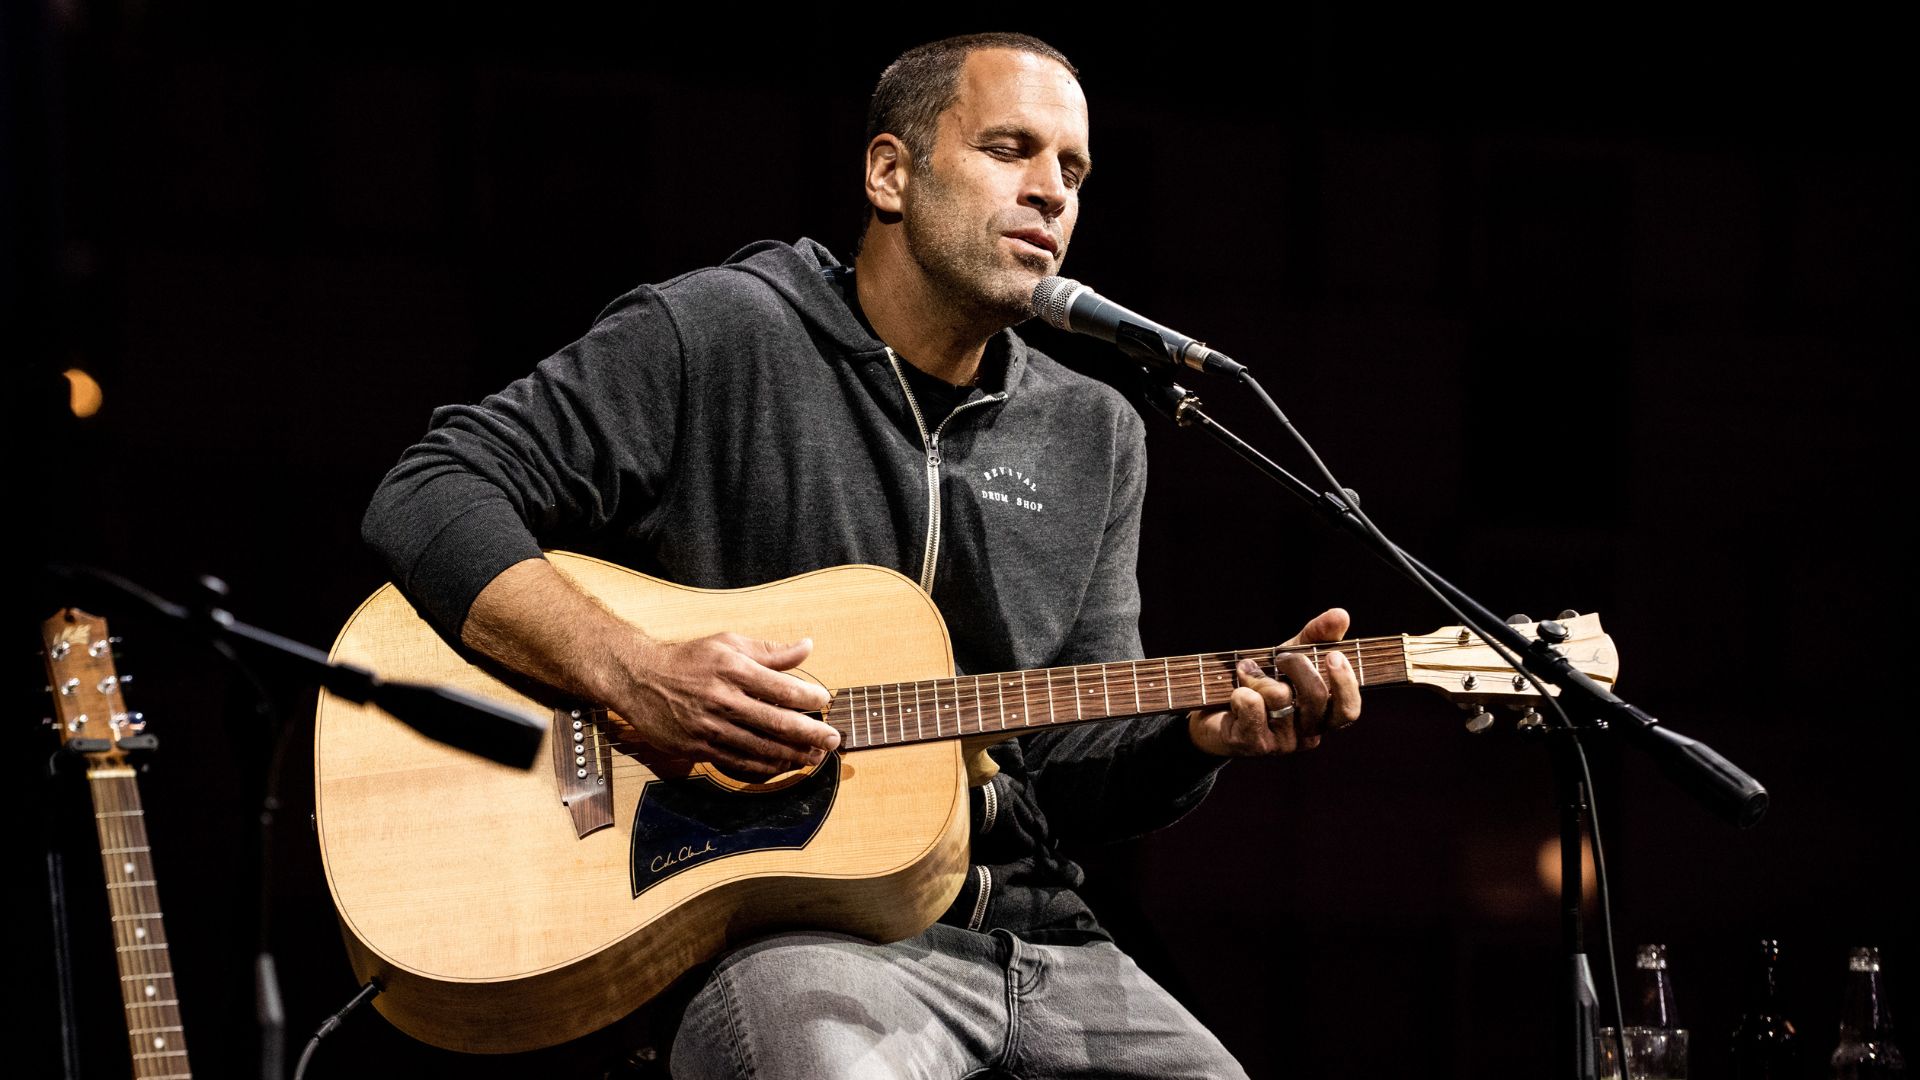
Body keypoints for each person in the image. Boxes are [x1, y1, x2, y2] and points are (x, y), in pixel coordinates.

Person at [362, 32, 1361, 1079]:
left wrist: (1194, 740)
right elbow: (430, 491)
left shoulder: (1095, 434)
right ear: (891, 172)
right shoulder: (724, 334)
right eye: (1010, 148)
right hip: (783, 934)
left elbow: (1066, 772)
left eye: (1072, 170)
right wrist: (633, 671)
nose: (1051, 193)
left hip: (1042, 944)